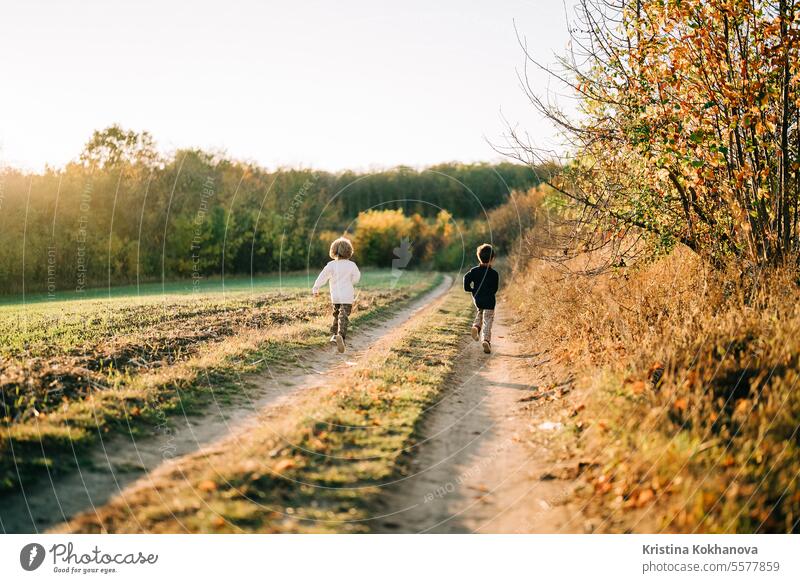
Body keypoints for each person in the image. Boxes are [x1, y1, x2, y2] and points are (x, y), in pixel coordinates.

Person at [312, 237, 361, 353]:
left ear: (333, 251)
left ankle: (334, 335)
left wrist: (316, 288)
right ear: (349, 251)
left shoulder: (331, 265)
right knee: (343, 316)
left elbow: (322, 277)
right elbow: (356, 278)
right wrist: (351, 281)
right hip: (347, 297)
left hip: (336, 297)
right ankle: (341, 336)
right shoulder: (352, 265)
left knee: (336, 315)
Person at [463, 243, 499, 354]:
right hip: (489, 300)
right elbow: (494, 289)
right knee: (488, 319)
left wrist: (469, 289)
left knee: (480, 312)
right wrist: (489, 293)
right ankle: (486, 341)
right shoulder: (494, 274)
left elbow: (466, 278)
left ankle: (476, 327)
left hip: (478, 299)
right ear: (492, 258)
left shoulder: (474, 271)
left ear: (479, 257)